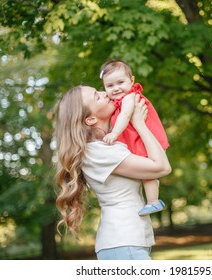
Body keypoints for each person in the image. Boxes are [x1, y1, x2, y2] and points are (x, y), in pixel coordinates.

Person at [55, 85, 171, 260]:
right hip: (123, 243)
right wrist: (139, 123)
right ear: (91, 119)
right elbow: (162, 167)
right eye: (97, 96)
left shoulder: (108, 145)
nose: (106, 93)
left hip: (129, 242)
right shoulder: (98, 152)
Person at [99, 59, 170, 216]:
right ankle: (153, 201)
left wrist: (114, 134)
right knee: (146, 173)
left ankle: (153, 202)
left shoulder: (129, 97)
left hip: (145, 139)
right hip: (138, 137)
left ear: (132, 81)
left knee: (147, 173)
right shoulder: (118, 100)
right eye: (109, 86)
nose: (116, 88)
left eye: (120, 82)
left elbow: (125, 115)